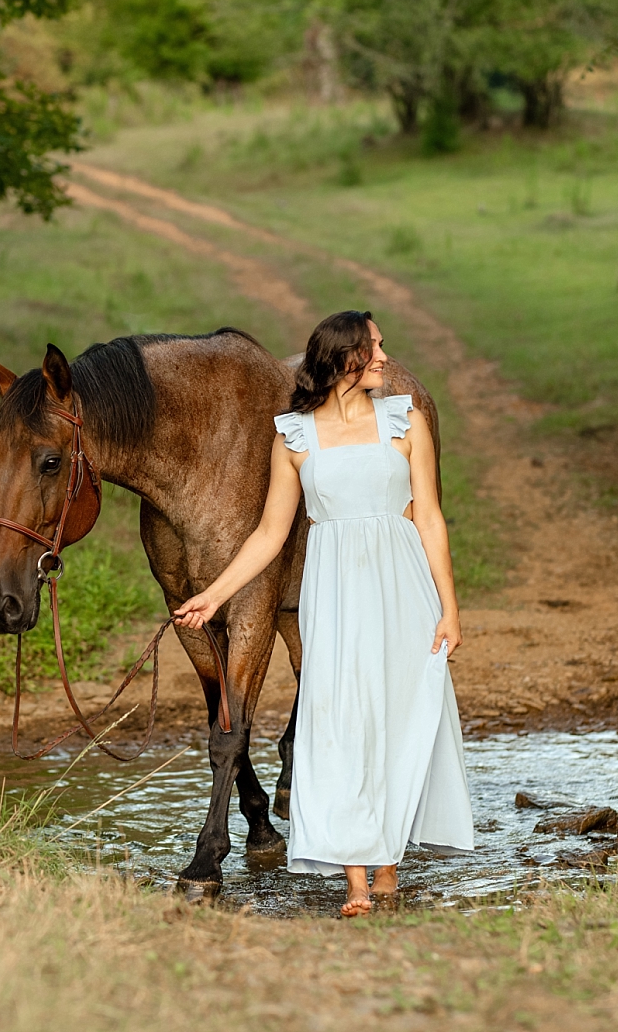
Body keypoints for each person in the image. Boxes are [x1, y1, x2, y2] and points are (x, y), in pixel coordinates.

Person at [174, 310, 475, 916]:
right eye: (376, 348)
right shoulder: (294, 438)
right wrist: (214, 593)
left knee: (393, 719)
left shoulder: (404, 422)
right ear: (345, 359)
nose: (386, 358)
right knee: (339, 721)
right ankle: (357, 881)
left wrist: (449, 605)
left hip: (402, 588)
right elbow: (267, 534)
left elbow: (430, 517)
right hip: (334, 596)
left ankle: (387, 867)